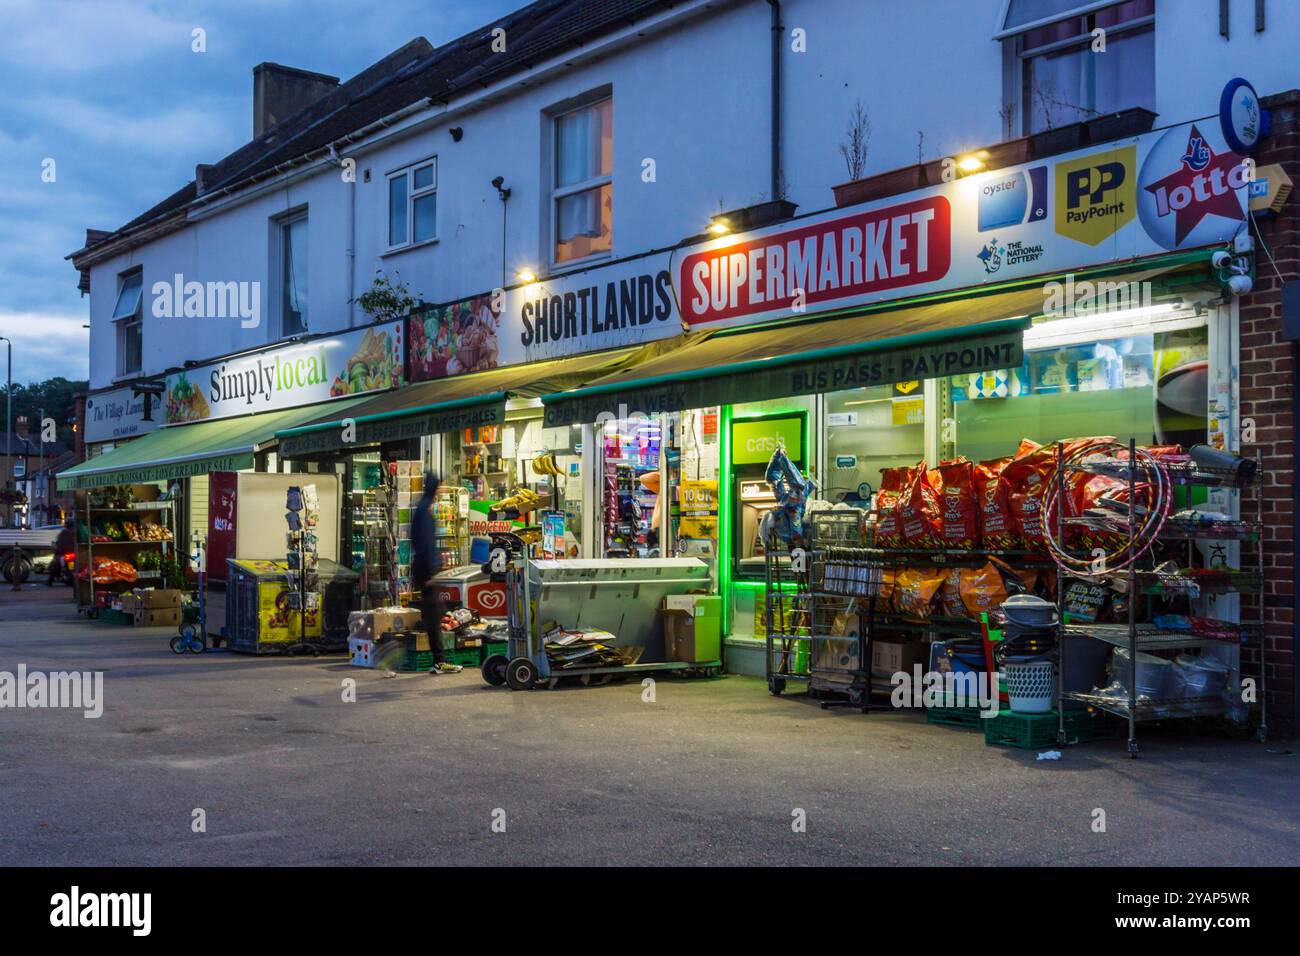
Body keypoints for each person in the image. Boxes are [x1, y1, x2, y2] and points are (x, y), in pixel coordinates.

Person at [410, 470, 462, 674]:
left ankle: (439, 660)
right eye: (439, 486)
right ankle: (439, 661)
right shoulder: (425, 511)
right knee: (434, 615)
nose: (441, 489)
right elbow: (425, 544)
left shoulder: (423, 507)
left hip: (424, 567)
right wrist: (431, 572)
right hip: (426, 569)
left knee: (435, 613)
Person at [47, 518, 76, 587]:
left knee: (55, 564)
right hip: (74, 553)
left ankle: (50, 581)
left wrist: (57, 549)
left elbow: (59, 544)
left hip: (64, 554)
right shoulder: (75, 532)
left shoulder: (63, 533)